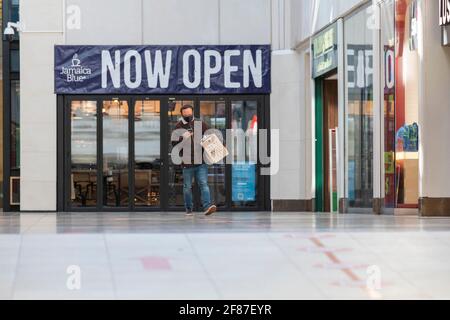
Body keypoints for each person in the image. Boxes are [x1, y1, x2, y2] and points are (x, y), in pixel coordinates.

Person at [172, 104, 217, 217]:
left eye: (189, 113)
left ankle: (207, 207)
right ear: (182, 114)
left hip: (201, 161)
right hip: (187, 163)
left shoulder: (199, 123)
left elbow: (210, 135)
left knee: (204, 184)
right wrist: (183, 138)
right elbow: (173, 144)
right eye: (185, 114)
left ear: (192, 112)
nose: (188, 115)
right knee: (187, 187)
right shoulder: (178, 126)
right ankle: (189, 209)